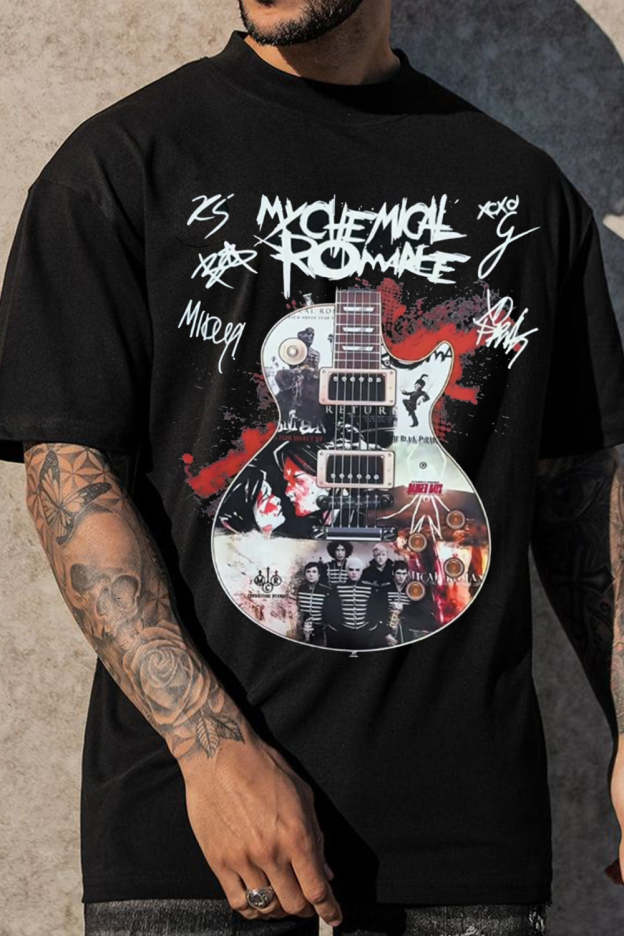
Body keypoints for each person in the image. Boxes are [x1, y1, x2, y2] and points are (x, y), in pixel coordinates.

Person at [1, 1, 624, 934]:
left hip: (464, 846)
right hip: (199, 839)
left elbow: (579, 492)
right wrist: (212, 753)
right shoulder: (123, 163)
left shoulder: (523, 192)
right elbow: (69, 480)